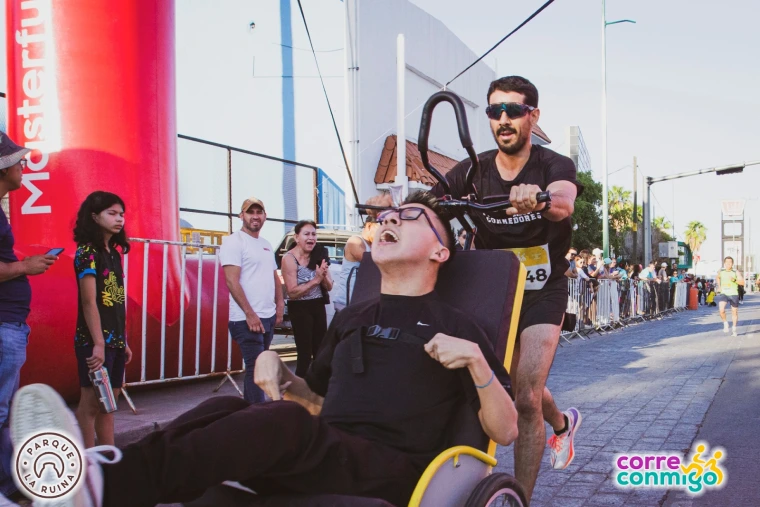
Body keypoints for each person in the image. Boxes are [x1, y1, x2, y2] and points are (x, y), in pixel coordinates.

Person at [8, 191, 518, 507]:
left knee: (285, 425)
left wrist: (476, 364)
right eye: (391, 212)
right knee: (225, 404)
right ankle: (97, 471)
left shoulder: (459, 326)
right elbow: (312, 401)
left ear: (439, 250)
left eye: (411, 216)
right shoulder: (354, 317)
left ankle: (103, 486)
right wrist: (282, 373)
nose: (392, 217)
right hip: (325, 448)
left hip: (396, 469)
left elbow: (506, 429)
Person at [432, 75, 583, 501]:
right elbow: (428, 204)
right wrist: (387, 219)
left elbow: (563, 201)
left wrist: (538, 198)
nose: (503, 119)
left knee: (526, 395)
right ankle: (563, 425)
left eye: (513, 110)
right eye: (495, 110)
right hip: (494, 286)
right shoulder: (474, 170)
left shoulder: (553, 165)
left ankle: (520, 498)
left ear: (532, 117)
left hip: (542, 288)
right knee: (515, 385)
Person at [0, 132, 59, 497]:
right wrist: (26, 266)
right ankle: (9, 488)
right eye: (18, 160)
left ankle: (12, 486)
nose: (24, 166)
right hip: (4, 327)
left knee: (5, 413)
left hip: (9, 327)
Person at [72, 192, 133, 448]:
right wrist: (98, 343)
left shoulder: (115, 254)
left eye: (121, 214)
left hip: (115, 341)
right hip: (94, 341)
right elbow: (89, 302)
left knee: (109, 404)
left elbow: (115, 302)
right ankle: (86, 461)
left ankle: (108, 457)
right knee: (91, 404)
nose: (119, 219)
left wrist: (123, 341)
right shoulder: (86, 252)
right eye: (112, 213)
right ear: (95, 217)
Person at [220, 197, 284, 403]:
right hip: (246, 319)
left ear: (265, 216)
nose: (255, 216)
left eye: (259, 212)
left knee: (260, 369)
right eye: (250, 212)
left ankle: (253, 413)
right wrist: (250, 314)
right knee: (256, 368)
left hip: (267, 316)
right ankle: (257, 415)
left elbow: (274, 277)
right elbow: (231, 280)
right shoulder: (234, 241)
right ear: (242, 216)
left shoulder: (265, 244)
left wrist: (280, 306)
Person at [282, 220, 334, 377]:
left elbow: (329, 286)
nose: (311, 238)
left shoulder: (319, 254)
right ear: (297, 237)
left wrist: (323, 276)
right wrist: (315, 281)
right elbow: (292, 292)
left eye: (313, 234)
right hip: (299, 307)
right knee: (305, 353)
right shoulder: (289, 259)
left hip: (317, 305)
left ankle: (318, 391)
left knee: (321, 351)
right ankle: (298, 393)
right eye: (306, 234)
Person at [333, 194, 392, 312]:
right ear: (369, 226)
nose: (382, 233)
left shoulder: (376, 245)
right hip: (347, 303)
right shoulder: (355, 241)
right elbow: (372, 261)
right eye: (379, 227)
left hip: (362, 304)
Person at [715, 256, 744, 336]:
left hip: (734, 293)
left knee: (734, 312)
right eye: (727, 262)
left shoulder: (735, 272)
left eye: (730, 262)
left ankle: (734, 328)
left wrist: (734, 280)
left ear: (732, 264)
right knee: (721, 310)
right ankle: (725, 323)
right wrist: (719, 286)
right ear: (724, 263)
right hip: (724, 293)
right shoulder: (721, 271)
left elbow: (742, 282)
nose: (728, 264)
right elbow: (717, 277)